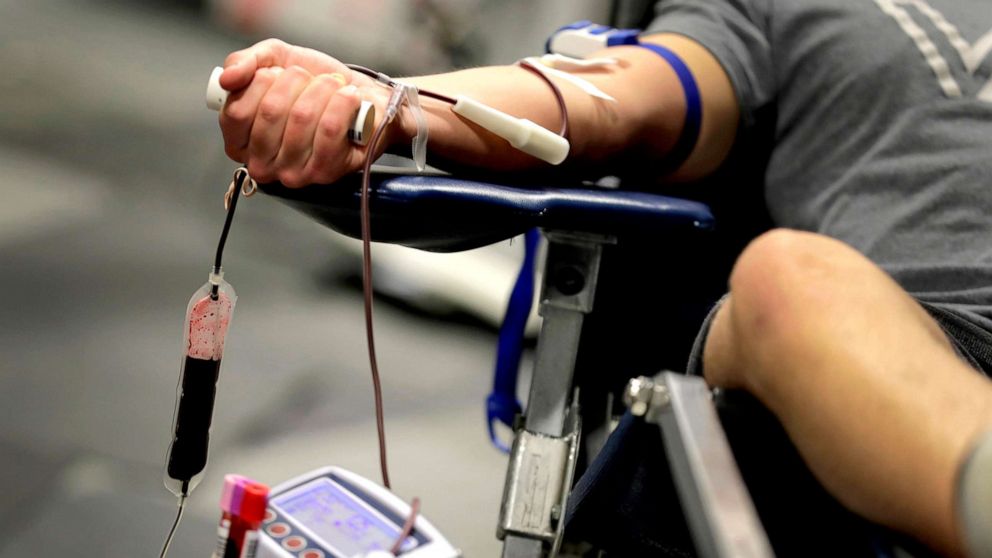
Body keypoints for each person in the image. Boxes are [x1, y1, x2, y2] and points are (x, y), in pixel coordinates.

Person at [214, 1, 992, 554]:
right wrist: (385, 100)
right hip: (916, 346)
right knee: (792, 284)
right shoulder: (780, 10)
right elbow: (607, 100)